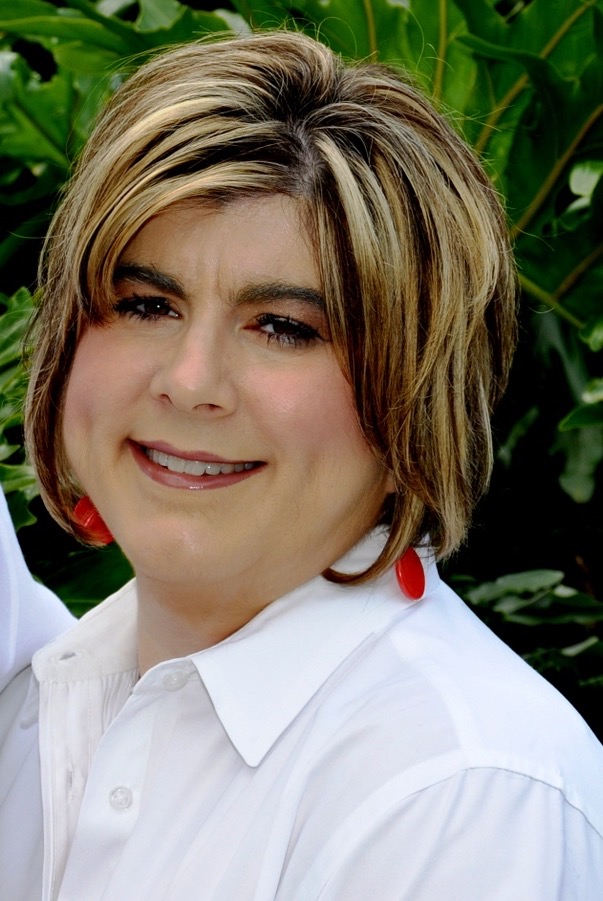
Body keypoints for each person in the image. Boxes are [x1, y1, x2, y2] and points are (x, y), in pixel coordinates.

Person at [1, 30, 602, 901]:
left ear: (414, 396)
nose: (190, 382)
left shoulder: (458, 791)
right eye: (146, 304)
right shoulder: (41, 700)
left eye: (284, 327)